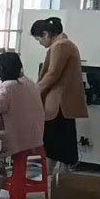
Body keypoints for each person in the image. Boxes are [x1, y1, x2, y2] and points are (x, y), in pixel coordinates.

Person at [30, 16, 88, 173]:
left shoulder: (60, 46)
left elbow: (52, 74)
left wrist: (34, 92)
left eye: (39, 39)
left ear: (46, 34)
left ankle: (50, 178)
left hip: (58, 105)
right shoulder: (65, 44)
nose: (40, 43)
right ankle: (55, 178)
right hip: (62, 104)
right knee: (60, 145)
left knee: (54, 144)